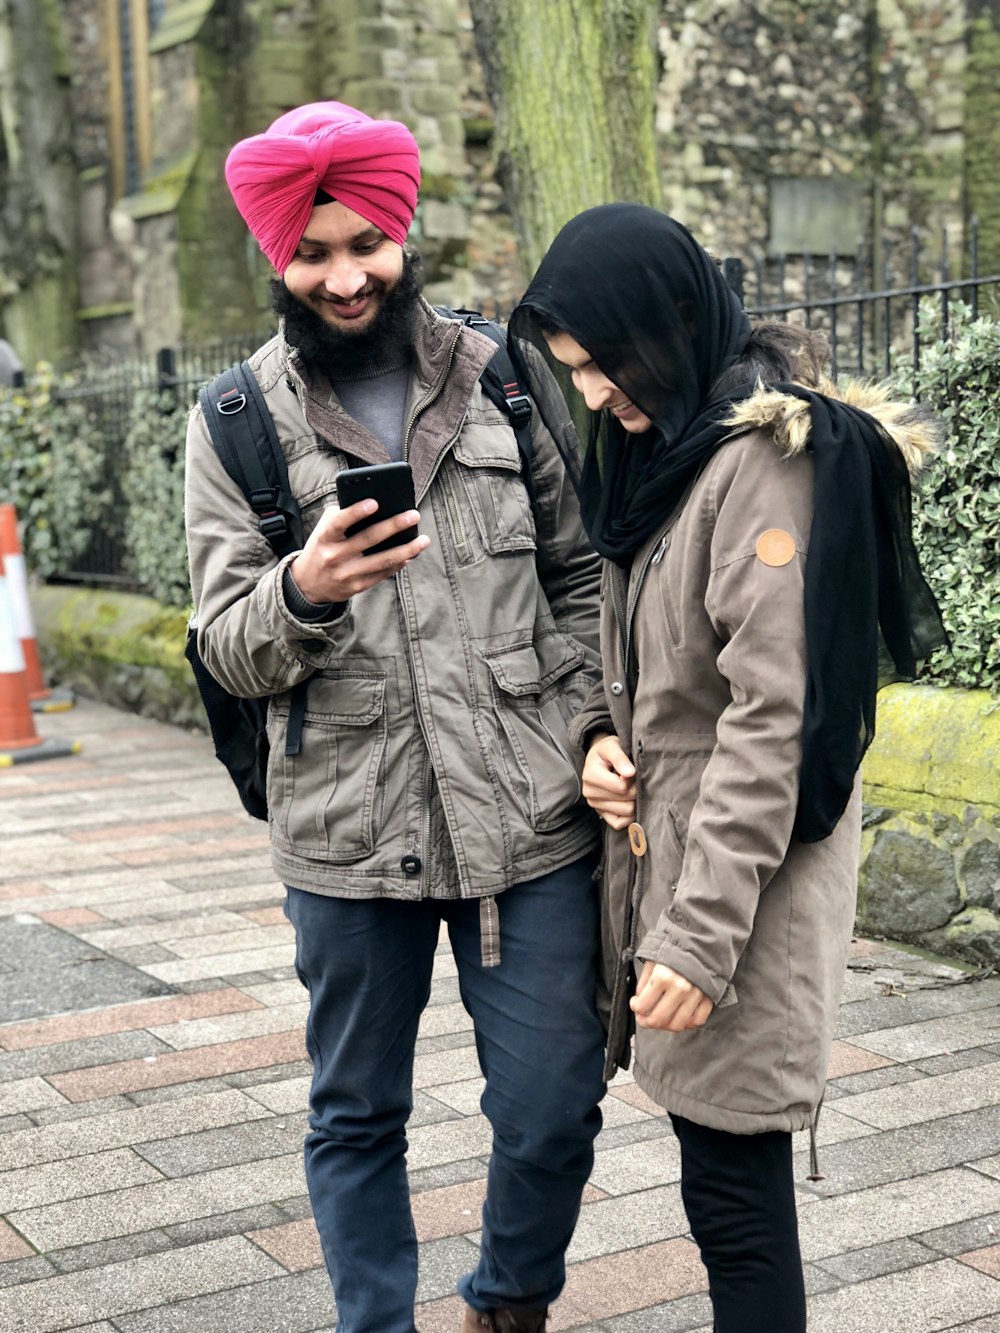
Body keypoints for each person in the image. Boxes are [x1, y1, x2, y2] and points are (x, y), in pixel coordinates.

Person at [184, 102, 607, 1333]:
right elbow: (221, 643)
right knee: (356, 1110)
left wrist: (588, 723)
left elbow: (579, 575)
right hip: (344, 829)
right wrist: (306, 588)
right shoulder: (233, 422)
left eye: (362, 241)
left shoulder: (505, 377)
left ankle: (507, 1298)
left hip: (528, 810)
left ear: (401, 227)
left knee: (551, 1102)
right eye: (311, 253)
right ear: (277, 259)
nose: (343, 272)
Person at [507, 203, 947, 1332]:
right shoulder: (672, 452)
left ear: (665, 323)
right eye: (574, 374)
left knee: (737, 1200)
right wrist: (598, 742)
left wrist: (696, 942)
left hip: (740, 888)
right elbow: (650, 667)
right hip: (683, 867)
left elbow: (770, 721)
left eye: (602, 363)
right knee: (721, 1190)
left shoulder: (761, 465)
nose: (594, 394)